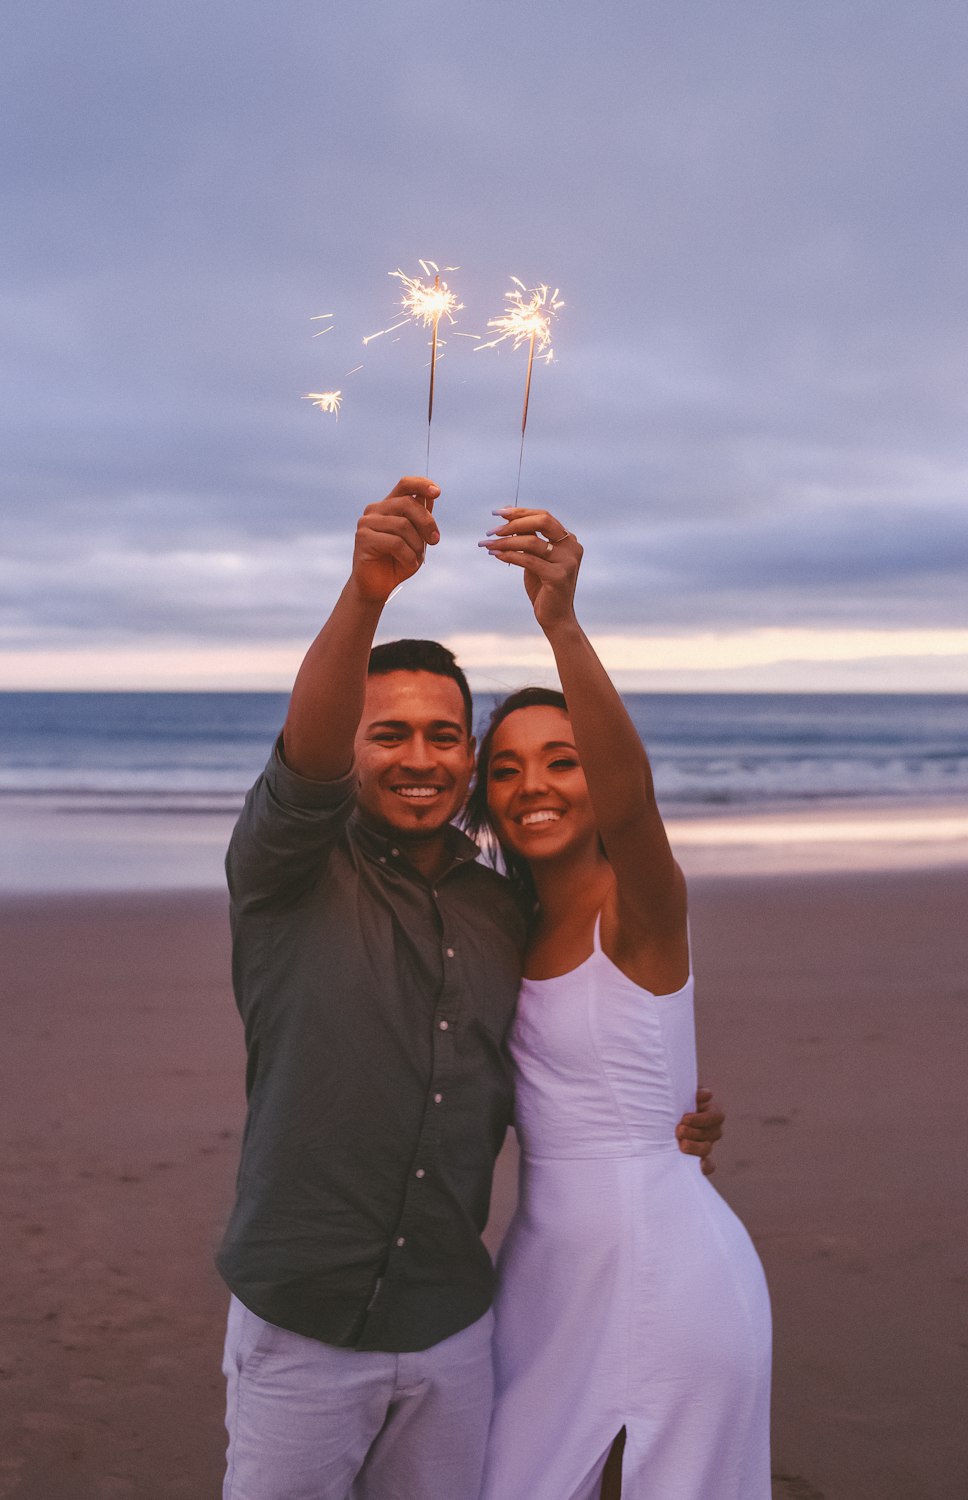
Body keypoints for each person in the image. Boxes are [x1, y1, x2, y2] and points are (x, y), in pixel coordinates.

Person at [216, 475, 725, 1500]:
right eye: (389, 733)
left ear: (469, 764)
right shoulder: (290, 871)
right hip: (302, 1321)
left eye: (446, 738)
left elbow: (584, 1035)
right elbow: (304, 762)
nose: (419, 758)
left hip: (454, 1325)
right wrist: (366, 595)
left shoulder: (503, 912)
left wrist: (670, 1120)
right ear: (354, 748)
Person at [469, 506, 772, 1500]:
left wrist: (560, 624)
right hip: (544, 1276)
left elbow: (635, 802)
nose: (535, 786)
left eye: (561, 760)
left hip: (671, 1271)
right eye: (505, 768)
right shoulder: (501, 926)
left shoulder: (638, 910)